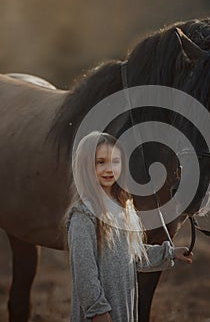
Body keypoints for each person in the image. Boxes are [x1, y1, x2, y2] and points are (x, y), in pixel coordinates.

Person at [63, 131, 193, 322]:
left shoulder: (124, 209)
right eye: (101, 162)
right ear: (86, 166)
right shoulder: (84, 215)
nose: (109, 169)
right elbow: (84, 271)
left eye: (115, 161)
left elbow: (132, 256)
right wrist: (97, 310)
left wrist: (170, 253)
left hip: (123, 310)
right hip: (98, 315)